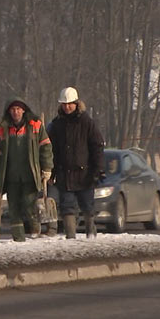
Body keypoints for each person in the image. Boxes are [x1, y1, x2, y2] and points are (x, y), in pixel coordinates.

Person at [0, 98, 53, 242]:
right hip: (11, 177)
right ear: (8, 112)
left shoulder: (35, 126)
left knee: (29, 204)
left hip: (30, 175)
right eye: (12, 110)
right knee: (13, 208)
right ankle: (18, 237)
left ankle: (35, 231)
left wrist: (47, 168)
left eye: (18, 109)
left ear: (24, 110)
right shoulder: (3, 130)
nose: (15, 112)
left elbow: (45, 147)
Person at [47, 87, 105, 239]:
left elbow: (97, 146)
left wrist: (97, 170)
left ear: (77, 103)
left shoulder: (87, 123)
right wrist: (51, 172)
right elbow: (52, 151)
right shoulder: (57, 125)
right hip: (64, 175)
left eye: (70, 104)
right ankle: (70, 237)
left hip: (85, 174)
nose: (67, 107)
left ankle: (90, 234)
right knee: (67, 208)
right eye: (64, 104)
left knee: (87, 207)